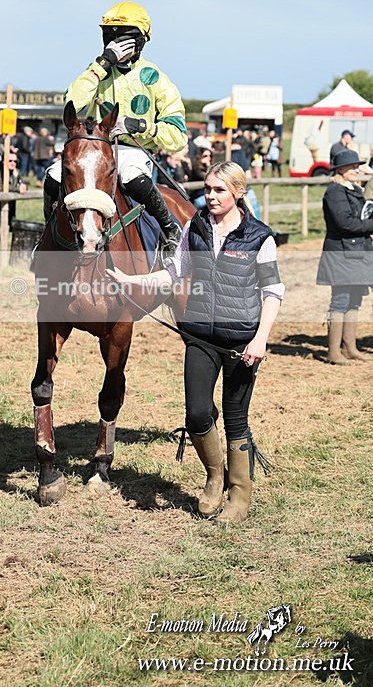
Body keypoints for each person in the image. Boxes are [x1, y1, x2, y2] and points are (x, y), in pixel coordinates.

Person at [107, 161, 284, 523]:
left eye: (220, 190)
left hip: (241, 342)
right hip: (200, 334)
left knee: (236, 421)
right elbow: (175, 272)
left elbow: (272, 290)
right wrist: (131, 281)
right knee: (197, 414)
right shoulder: (196, 225)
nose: (211, 196)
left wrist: (260, 339)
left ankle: (239, 496)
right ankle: (215, 476)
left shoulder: (258, 236)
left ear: (238, 193)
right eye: (208, 189)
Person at [44, 1, 188, 251]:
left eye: (125, 36)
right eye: (110, 35)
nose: (116, 41)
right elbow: (71, 104)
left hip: (135, 152)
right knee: (54, 174)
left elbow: (178, 136)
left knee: (130, 174)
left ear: (141, 39)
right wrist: (102, 64)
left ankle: (170, 229)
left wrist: (141, 125)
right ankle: (48, 233)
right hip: (96, 149)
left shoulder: (156, 79)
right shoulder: (96, 72)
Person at [316, 150, 373, 364]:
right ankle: (333, 351)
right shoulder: (335, 192)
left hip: (357, 253)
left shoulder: (354, 190)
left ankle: (350, 346)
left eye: (358, 165)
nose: (357, 169)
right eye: (353, 166)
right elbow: (345, 223)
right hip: (341, 253)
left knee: (355, 300)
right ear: (340, 169)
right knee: (340, 301)